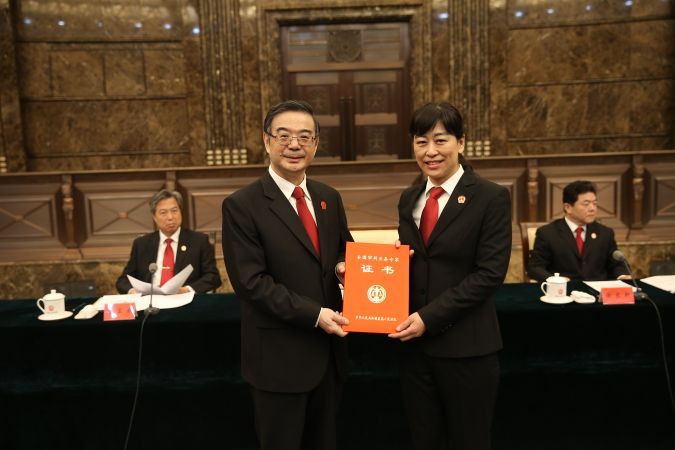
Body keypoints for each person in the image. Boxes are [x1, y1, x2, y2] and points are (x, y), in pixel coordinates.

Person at [221, 100, 352, 450]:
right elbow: (251, 283)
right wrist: (316, 314)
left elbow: (345, 251)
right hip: (278, 361)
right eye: (284, 136)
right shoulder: (242, 205)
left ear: (316, 144)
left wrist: (343, 267)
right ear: (267, 141)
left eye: (304, 137)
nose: (295, 145)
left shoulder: (328, 198)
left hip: (329, 357)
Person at [390, 102, 512, 450]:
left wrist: (428, 318)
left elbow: (489, 274)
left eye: (440, 140)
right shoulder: (409, 198)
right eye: (421, 142)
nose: (430, 151)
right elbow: (414, 261)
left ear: (461, 142)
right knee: (424, 439)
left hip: (467, 349)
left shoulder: (490, 197)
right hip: (415, 351)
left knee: (469, 440)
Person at [116, 189, 221, 294]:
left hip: (184, 300)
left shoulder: (199, 241)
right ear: (154, 217)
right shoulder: (141, 244)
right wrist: (132, 291)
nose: (170, 217)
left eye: (174, 211)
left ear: (181, 212)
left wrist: (187, 290)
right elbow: (123, 280)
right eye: (163, 213)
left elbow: (213, 277)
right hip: (150, 300)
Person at [526, 180, 629, 283]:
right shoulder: (548, 233)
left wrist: (622, 275)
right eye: (586, 204)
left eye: (595, 203)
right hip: (564, 290)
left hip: (598, 290)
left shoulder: (605, 233)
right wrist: (555, 280)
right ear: (568, 207)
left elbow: (617, 264)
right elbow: (535, 268)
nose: (592, 208)